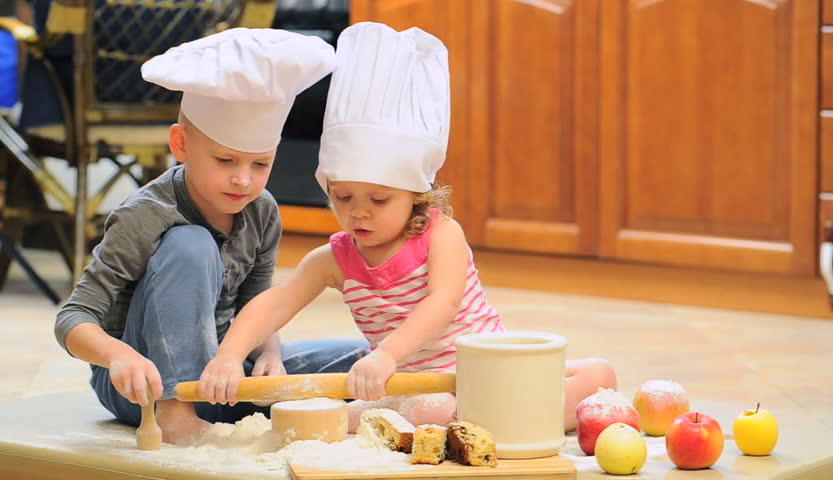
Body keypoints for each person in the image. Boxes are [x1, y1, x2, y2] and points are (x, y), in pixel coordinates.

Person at [197, 22, 616, 433]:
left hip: (489, 368)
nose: (359, 213)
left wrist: (386, 355)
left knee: (599, 376)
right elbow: (273, 304)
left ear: (415, 194)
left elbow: (443, 304)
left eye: (379, 200)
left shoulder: (440, 234)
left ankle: (488, 418)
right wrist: (230, 356)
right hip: (419, 388)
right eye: (343, 198)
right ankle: (498, 421)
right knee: (434, 410)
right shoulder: (333, 261)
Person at [53, 28, 370, 446]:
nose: (242, 179)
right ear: (181, 143)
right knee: (191, 243)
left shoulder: (262, 210)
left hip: (223, 373)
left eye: (260, 164)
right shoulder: (145, 214)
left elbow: (258, 304)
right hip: (143, 390)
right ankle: (177, 416)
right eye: (225, 160)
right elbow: (71, 317)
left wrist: (270, 354)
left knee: (364, 360)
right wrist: (119, 357)